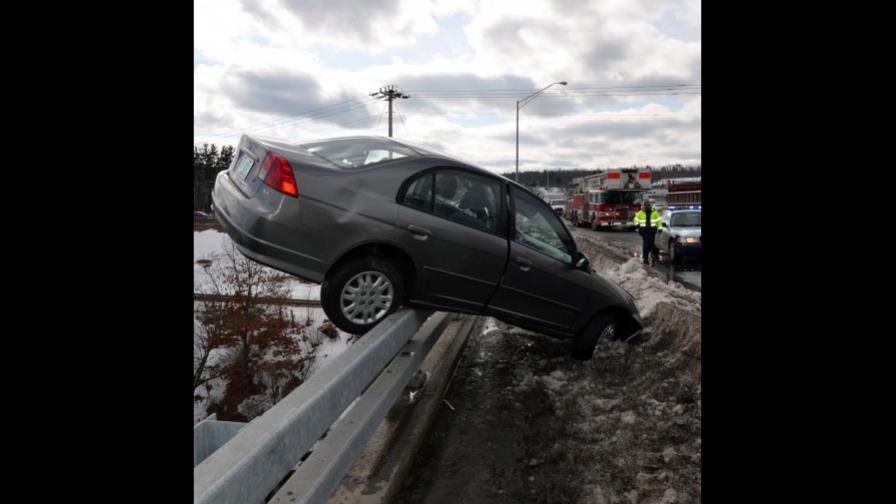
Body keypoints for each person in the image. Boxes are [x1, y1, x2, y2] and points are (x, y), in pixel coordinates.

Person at [633, 199, 663, 265]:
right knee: (646, 244)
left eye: (648, 205)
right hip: (644, 231)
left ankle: (651, 255)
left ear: (650, 206)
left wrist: (660, 228)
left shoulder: (654, 212)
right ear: (644, 206)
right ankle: (645, 258)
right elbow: (635, 220)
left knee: (651, 244)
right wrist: (638, 226)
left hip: (652, 231)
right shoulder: (640, 213)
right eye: (646, 205)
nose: (647, 206)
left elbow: (659, 221)